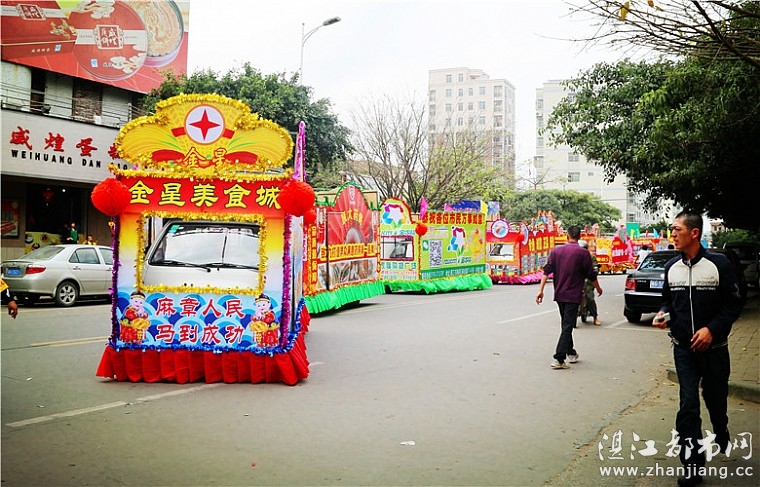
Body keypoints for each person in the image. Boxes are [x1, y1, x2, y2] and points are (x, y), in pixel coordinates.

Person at [652, 211, 742, 487]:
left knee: (716, 401)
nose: (672, 234)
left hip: (715, 350)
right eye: (672, 229)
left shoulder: (719, 264)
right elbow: (668, 302)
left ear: (694, 233)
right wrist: (663, 314)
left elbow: (734, 304)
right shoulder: (672, 267)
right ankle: (692, 466)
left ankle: (721, 427)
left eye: (676, 229)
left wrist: (711, 329)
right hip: (683, 350)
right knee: (688, 407)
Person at [536, 225, 603, 369]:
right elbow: (591, 274)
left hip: (559, 294)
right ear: (580, 237)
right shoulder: (583, 253)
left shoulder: (556, 251)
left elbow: (546, 271)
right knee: (567, 326)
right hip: (573, 295)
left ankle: (571, 352)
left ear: (567, 236)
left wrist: (540, 290)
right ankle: (559, 359)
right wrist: (598, 288)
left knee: (566, 324)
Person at [578, 239, 601, 326]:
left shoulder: (591, 257)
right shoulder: (574, 257)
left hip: (588, 281)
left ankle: (595, 317)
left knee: (590, 297)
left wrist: (593, 273)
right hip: (577, 281)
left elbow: (595, 268)